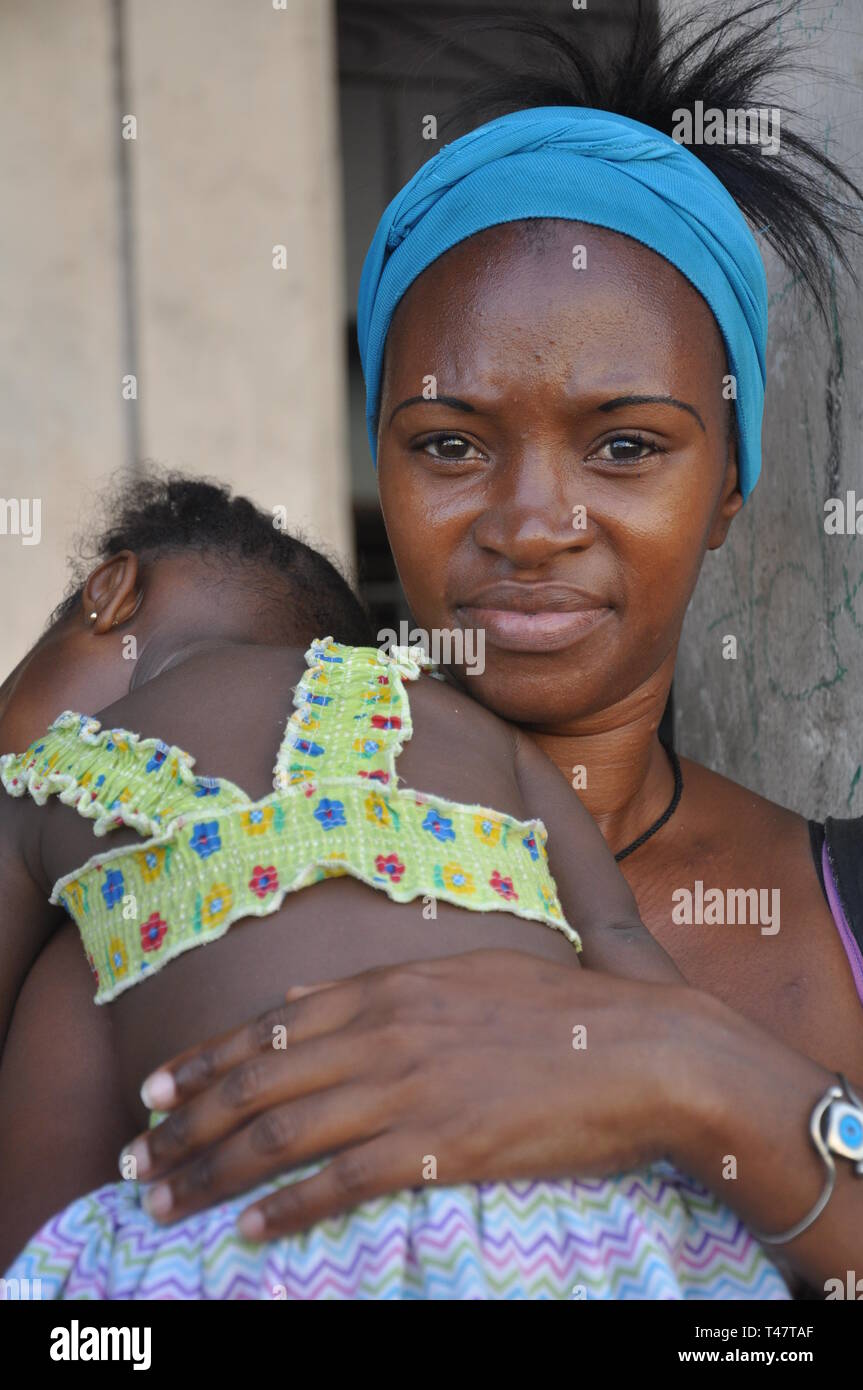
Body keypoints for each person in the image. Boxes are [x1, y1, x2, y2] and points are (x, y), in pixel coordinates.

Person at [3, 2, 862, 1297]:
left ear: (727, 483)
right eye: (448, 443)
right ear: (380, 467)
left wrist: (690, 1073)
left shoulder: (843, 904)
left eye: (624, 443)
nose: (530, 523)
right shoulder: (155, 854)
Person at [1, 473, 785, 1299]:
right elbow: (620, 943)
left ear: (110, 593)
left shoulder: (51, 771)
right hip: (570, 1217)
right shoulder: (478, 731)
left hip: (270, 1235)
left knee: (78, 982)